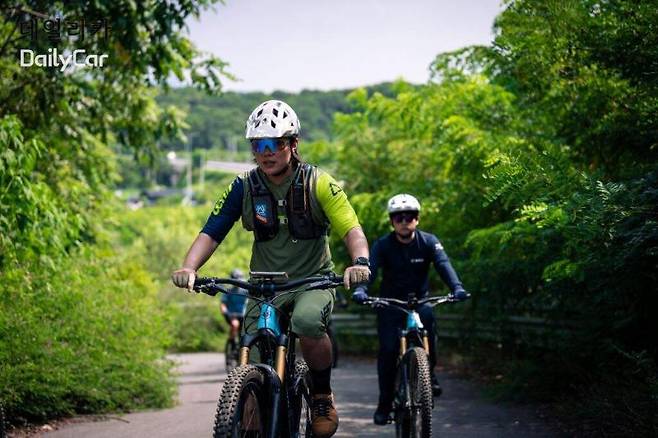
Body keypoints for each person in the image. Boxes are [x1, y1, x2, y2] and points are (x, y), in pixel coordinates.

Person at [171, 100, 370, 438]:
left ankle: (321, 395)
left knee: (307, 321)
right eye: (258, 145)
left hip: (312, 282)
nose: (266, 152)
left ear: (293, 144)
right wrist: (188, 268)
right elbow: (212, 231)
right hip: (263, 287)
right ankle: (248, 410)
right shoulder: (244, 186)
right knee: (251, 356)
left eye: (275, 143)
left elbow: (352, 229)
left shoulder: (318, 183)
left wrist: (360, 262)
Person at [351, 194, 467, 426]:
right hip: (391, 304)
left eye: (410, 216)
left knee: (429, 330)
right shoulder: (382, 245)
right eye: (398, 217)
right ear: (392, 221)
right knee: (388, 350)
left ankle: (428, 373)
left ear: (417, 218)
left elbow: (443, 264)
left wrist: (457, 287)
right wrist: (362, 289)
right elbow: (371, 270)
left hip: (420, 302)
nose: (404, 221)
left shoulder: (428, 241)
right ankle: (384, 403)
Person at [220, 268, 248, 346]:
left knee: (245, 331)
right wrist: (225, 312)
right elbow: (223, 304)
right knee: (235, 325)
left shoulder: (245, 291)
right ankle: (232, 343)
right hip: (232, 315)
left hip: (243, 315)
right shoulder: (228, 291)